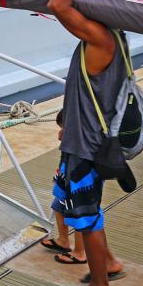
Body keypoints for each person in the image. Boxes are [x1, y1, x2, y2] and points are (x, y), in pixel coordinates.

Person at [46, 0, 126, 286]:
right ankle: (107, 264)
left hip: (88, 147)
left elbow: (58, 4)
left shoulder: (99, 37)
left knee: (87, 218)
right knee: (87, 211)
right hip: (85, 138)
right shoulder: (113, 36)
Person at [40, 110, 87, 266]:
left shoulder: (83, 140)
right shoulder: (70, 139)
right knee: (58, 206)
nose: (60, 134)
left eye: (63, 128)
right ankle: (63, 240)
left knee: (78, 215)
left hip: (78, 183)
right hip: (66, 177)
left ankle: (80, 252)